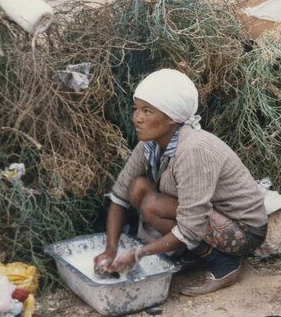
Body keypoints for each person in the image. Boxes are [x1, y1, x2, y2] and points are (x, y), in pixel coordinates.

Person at [94, 68, 268, 296]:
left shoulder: (194, 150)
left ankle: (224, 263)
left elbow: (191, 225)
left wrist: (138, 254)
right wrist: (111, 249)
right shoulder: (149, 144)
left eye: (147, 111)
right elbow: (119, 196)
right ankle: (192, 253)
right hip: (205, 216)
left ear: (171, 118)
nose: (137, 118)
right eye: (136, 109)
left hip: (243, 229)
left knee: (152, 206)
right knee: (137, 188)